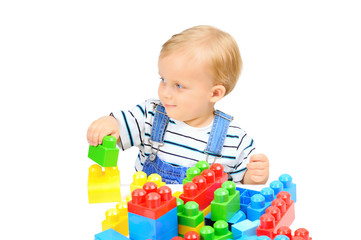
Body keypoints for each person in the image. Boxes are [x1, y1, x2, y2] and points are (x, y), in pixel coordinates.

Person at [87, 25, 269, 184]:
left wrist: (254, 176)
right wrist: (110, 123)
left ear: (214, 93)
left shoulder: (234, 139)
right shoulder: (150, 115)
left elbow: (243, 181)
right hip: (148, 218)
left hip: (200, 222)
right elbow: (120, 127)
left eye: (179, 86)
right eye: (163, 79)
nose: (165, 92)